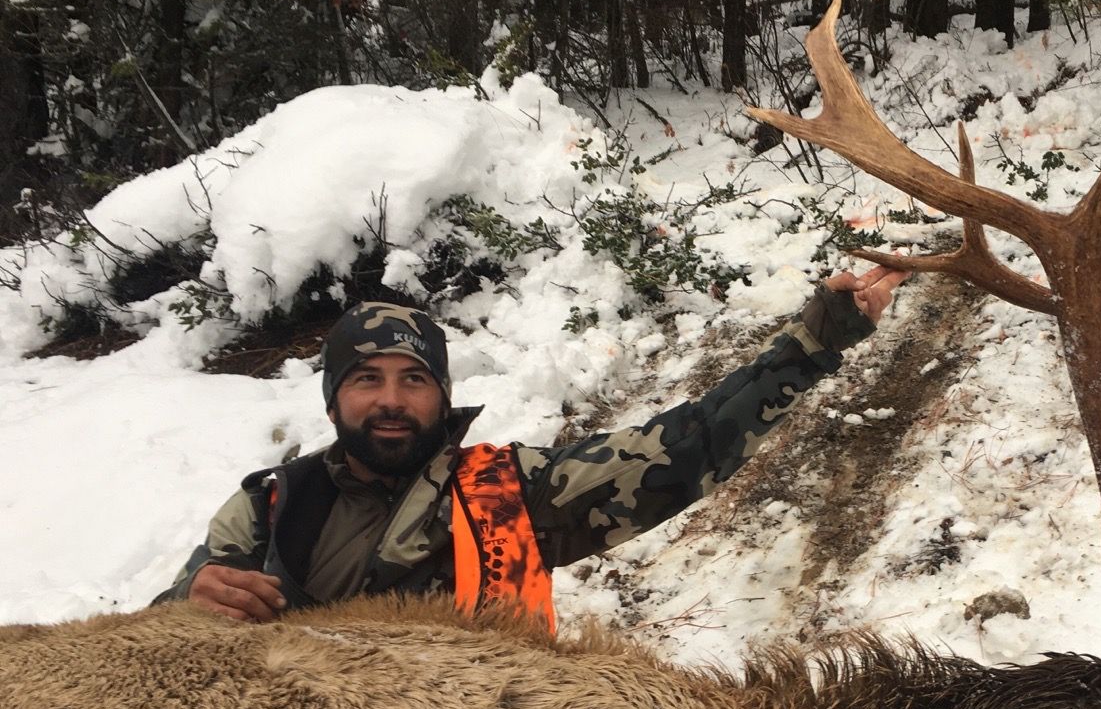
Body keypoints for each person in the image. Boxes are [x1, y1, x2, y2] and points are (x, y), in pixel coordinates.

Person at [155, 267, 908, 627]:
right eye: (367, 380)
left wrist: (815, 340)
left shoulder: (510, 493)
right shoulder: (267, 509)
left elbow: (688, 447)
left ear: (442, 398)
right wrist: (186, 604)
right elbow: (145, 649)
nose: (390, 400)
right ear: (332, 399)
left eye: (413, 379)